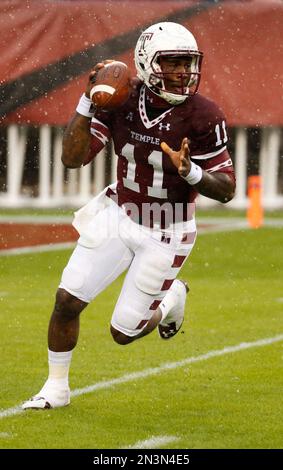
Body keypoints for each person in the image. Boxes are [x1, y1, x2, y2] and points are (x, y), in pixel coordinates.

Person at [22, 22, 235, 409]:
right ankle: (56, 388)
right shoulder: (122, 98)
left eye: (187, 63)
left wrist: (191, 172)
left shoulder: (204, 114)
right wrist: (87, 101)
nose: (182, 73)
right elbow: (72, 159)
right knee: (67, 299)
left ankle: (171, 297)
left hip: (167, 231)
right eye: (171, 63)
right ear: (146, 62)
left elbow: (227, 189)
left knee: (123, 332)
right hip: (119, 214)